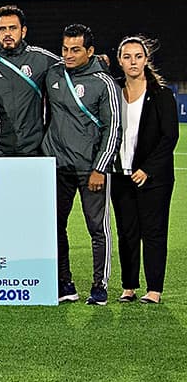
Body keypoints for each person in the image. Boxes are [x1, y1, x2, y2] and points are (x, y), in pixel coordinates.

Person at [43, 24, 120, 306]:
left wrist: (100, 166)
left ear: (90, 51)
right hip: (58, 166)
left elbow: (113, 128)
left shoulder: (104, 82)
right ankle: (65, 283)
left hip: (91, 169)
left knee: (97, 229)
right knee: (55, 226)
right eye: (65, 49)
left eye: (76, 49)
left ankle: (99, 286)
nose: (69, 54)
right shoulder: (53, 73)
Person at [111, 36, 178, 304]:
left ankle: (154, 290)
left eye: (138, 56)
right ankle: (128, 287)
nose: (133, 62)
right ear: (120, 61)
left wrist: (147, 169)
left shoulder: (161, 94)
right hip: (120, 175)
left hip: (153, 179)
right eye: (127, 57)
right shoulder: (114, 91)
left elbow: (169, 137)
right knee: (126, 232)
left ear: (146, 59)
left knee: (153, 232)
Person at [0, 5, 61, 156]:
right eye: (2, 29)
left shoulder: (40, 59)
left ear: (23, 31)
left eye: (13, 28)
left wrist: (96, 61)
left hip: (33, 149)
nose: (8, 33)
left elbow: (72, 65)